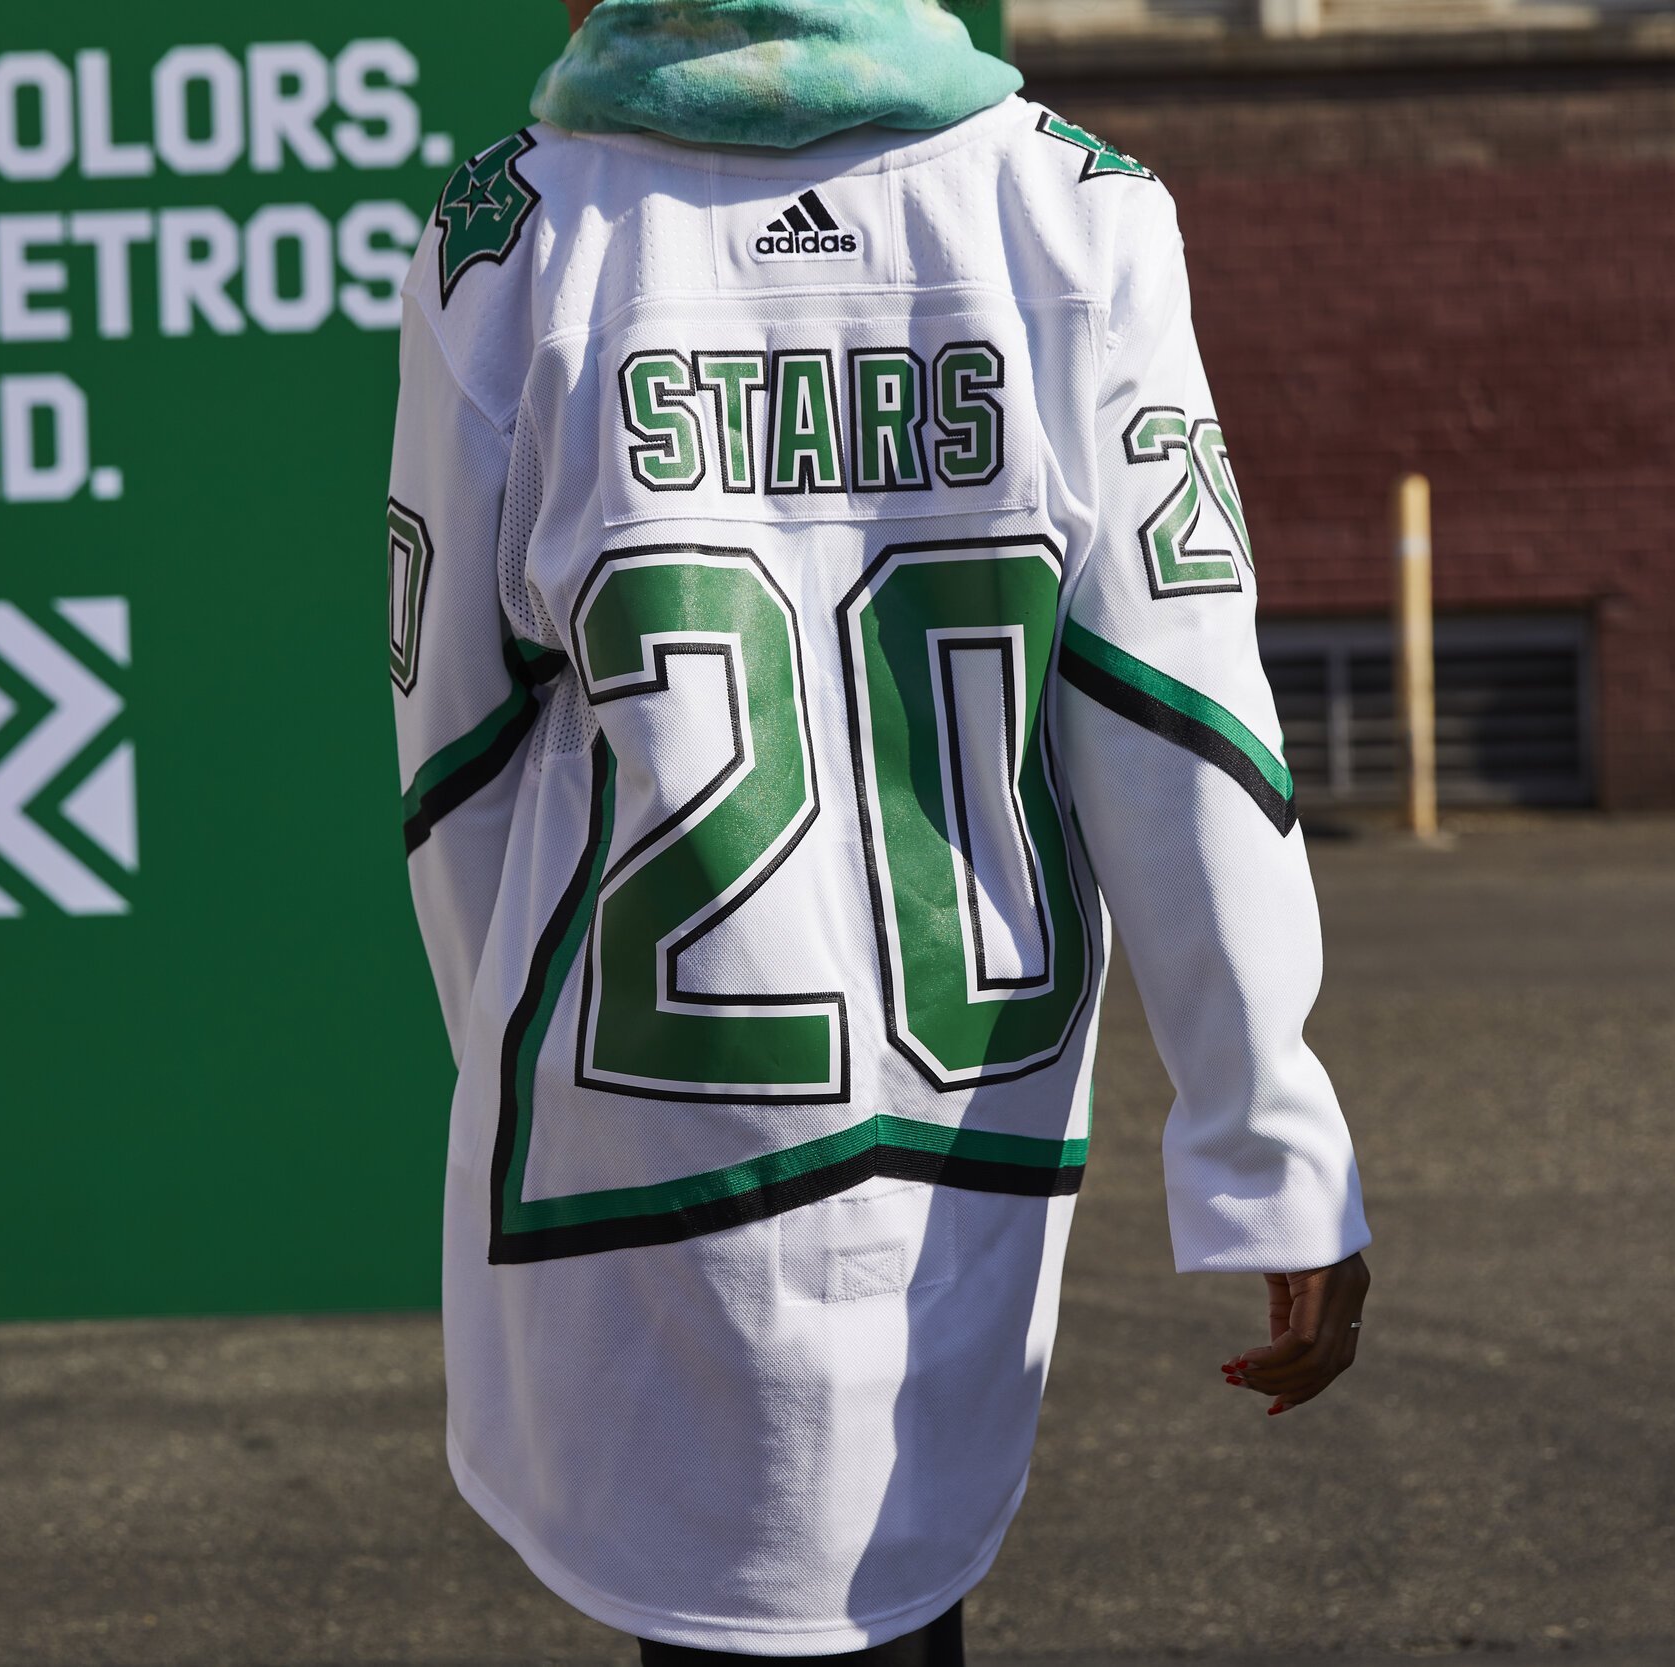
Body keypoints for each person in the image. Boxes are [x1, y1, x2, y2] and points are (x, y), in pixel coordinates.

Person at [385, 2, 1372, 1660]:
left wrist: (509, 1080)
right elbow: (1179, 721)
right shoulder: (1076, 206)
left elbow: (457, 751)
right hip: (956, 1112)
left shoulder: (513, 229)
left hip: (641, 1126)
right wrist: (1269, 1146)